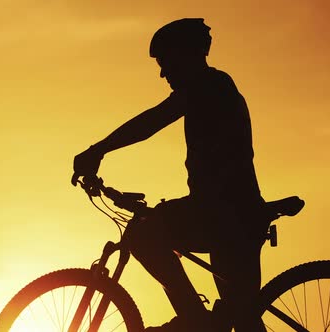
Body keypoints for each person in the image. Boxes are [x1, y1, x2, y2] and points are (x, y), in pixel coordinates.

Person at [72, 18, 268, 331]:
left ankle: (193, 318)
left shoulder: (209, 86)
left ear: (188, 54)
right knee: (240, 317)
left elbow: (152, 121)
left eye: (166, 63)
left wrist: (98, 150)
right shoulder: (209, 88)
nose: (163, 73)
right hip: (226, 214)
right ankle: (199, 321)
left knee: (143, 235)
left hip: (226, 214)